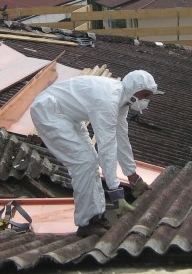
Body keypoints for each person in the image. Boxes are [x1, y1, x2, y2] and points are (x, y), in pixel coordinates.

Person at [30, 70, 160, 238]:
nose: (146, 100)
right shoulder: (108, 100)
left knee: (91, 162)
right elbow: (107, 146)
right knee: (84, 163)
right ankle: (87, 222)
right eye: (144, 95)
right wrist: (115, 191)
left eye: (149, 97)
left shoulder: (122, 101)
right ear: (134, 88)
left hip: (68, 117)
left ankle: (96, 217)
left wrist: (133, 176)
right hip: (48, 111)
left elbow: (121, 139)